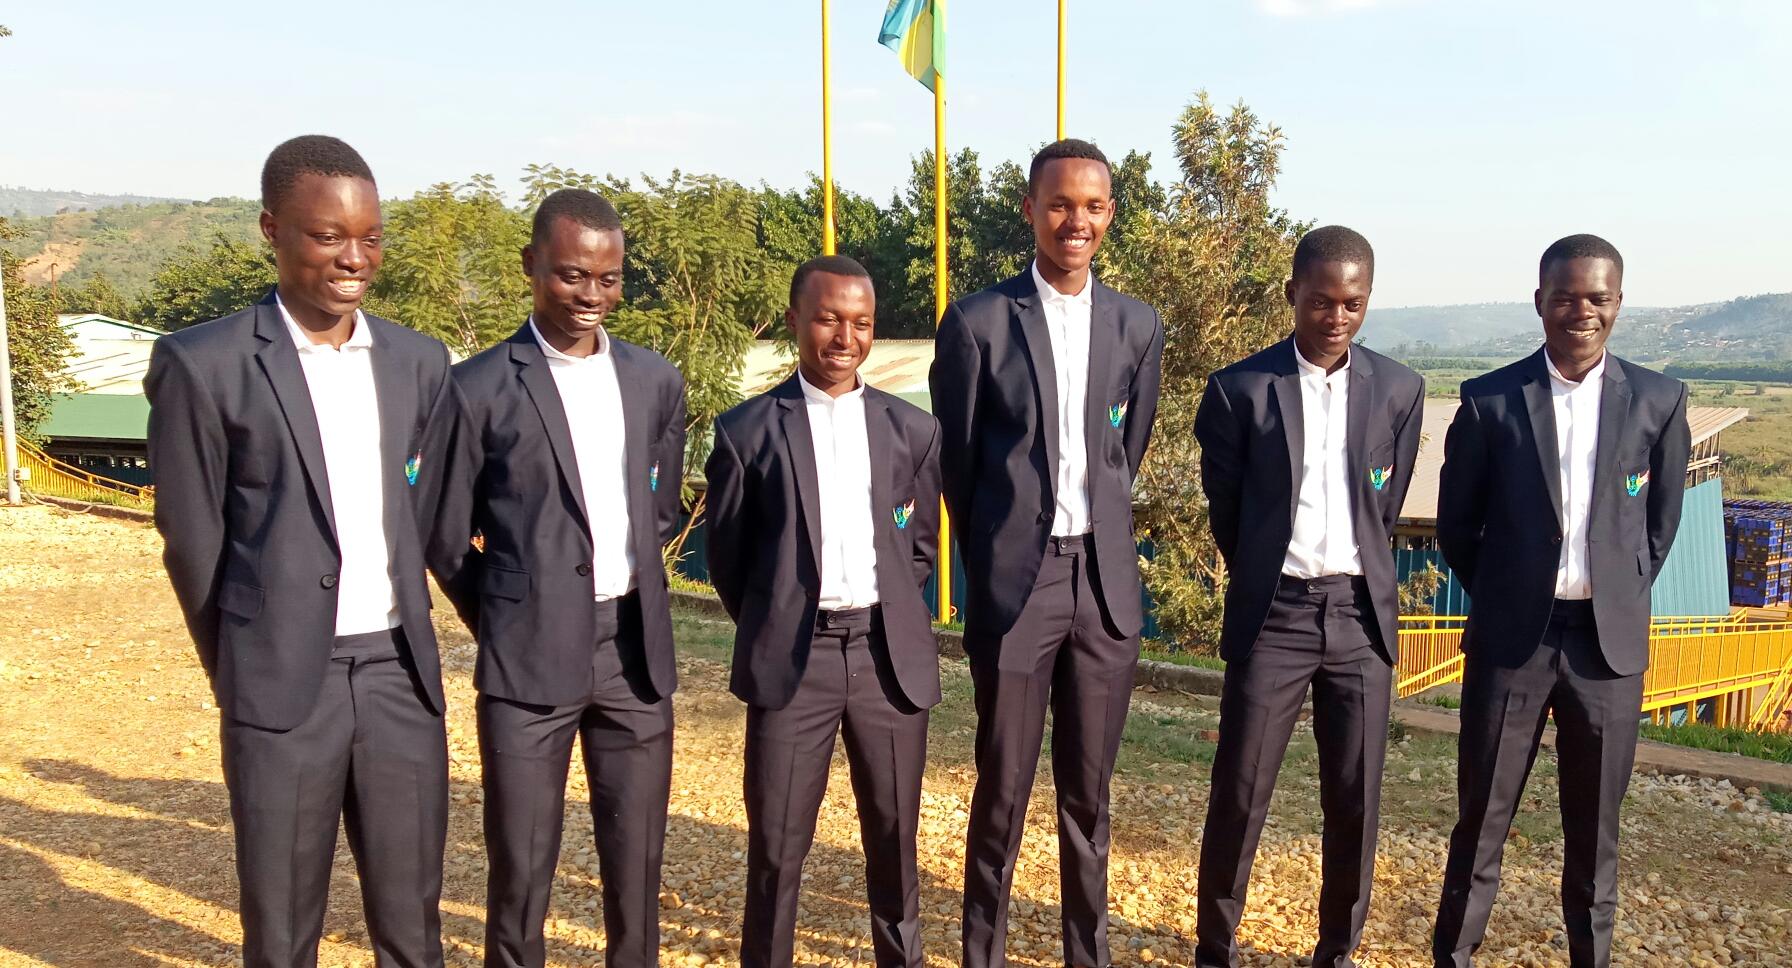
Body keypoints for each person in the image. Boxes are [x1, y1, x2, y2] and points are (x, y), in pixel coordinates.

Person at [146, 134, 454, 968]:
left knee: (413, 929)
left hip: (399, 678)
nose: (354, 257)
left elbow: (422, 513)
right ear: (272, 230)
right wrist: (247, 664)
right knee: (282, 934)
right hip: (282, 686)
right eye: (327, 236)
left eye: (372, 236)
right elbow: (193, 539)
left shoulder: (421, 363)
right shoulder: (202, 364)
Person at [425, 189, 688, 968]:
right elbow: (443, 536)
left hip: (634, 656)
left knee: (636, 865)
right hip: (527, 658)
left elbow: (663, 509)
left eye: (608, 280)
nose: (590, 297)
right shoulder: (475, 389)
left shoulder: (655, 382)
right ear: (531, 266)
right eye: (572, 276)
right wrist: (510, 614)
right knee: (521, 867)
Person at [930, 137, 1164, 968]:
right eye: (1060, 203)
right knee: (1001, 791)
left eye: (1093, 205)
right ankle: (980, 954)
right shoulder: (979, 322)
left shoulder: (1137, 325)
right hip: (1017, 588)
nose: (1077, 220)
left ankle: (1085, 954)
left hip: (1102, 589)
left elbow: (1121, 454)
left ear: (1110, 214)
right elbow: (956, 462)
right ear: (1030, 210)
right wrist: (998, 553)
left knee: (1088, 797)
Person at [1431, 234, 1691, 968]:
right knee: (1480, 823)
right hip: (1513, 644)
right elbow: (1457, 525)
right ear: (1539, 301)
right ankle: (1453, 957)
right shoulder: (1490, 400)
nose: (1582, 311)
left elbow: (1660, 524)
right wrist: (1510, 595)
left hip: (1606, 651)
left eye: (1598, 298)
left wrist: (1616, 591)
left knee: (1596, 835)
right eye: (1566, 296)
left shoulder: (1660, 400)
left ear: (1619, 303)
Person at [1191, 225, 1425, 968]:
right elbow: (1227, 512)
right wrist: (1272, 575)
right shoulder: (1239, 391)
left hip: (1360, 619)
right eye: (1320, 301)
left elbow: (1382, 511)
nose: (1335, 318)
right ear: (1292, 294)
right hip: (1277, 618)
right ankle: (1213, 947)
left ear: (1367, 303)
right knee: (1241, 790)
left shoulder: (1399, 389)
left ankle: (1338, 951)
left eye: (1352, 304)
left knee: (1355, 800)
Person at [705, 255, 943, 968]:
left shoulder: (911, 431)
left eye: (862, 322)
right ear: (796, 321)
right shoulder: (746, 432)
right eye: (830, 318)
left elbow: (920, 551)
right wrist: (780, 617)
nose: (845, 337)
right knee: (777, 851)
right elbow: (729, 561)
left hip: (885, 663)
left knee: (895, 848)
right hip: (792, 665)